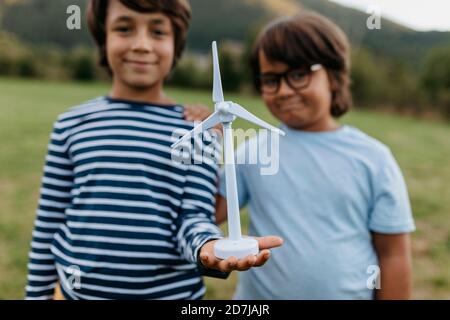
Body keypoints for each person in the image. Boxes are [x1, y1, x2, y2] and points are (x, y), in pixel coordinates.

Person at [25, 0, 282, 300]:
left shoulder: (197, 130)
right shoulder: (71, 125)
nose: (142, 45)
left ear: (176, 45)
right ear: (102, 37)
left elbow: (195, 217)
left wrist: (208, 247)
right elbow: (48, 227)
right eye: (124, 28)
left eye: (158, 32)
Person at [187, 11, 415, 299]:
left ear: (333, 76)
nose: (283, 91)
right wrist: (207, 139)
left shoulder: (374, 158)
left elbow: (393, 254)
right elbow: (203, 212)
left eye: (298, 75)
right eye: (270, 80)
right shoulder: (252, 151)